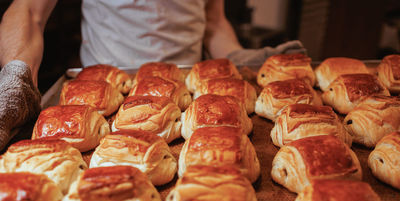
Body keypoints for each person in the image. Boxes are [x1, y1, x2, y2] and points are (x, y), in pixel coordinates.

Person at [0, 0, 306, 150]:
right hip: (101, 98)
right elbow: (28, 10)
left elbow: (214, 23)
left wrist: (240, 59)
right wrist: (16, 77)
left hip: (187, 96)